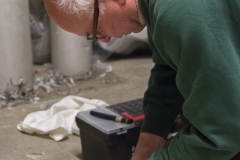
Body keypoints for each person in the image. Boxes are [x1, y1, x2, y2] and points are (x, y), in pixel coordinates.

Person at [44, 0, 240, 159]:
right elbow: (169, 70)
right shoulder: (155, 9)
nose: (104, 40)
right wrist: (149, 141)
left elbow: (224, 131)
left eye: (96, 29)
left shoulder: (179, 11)